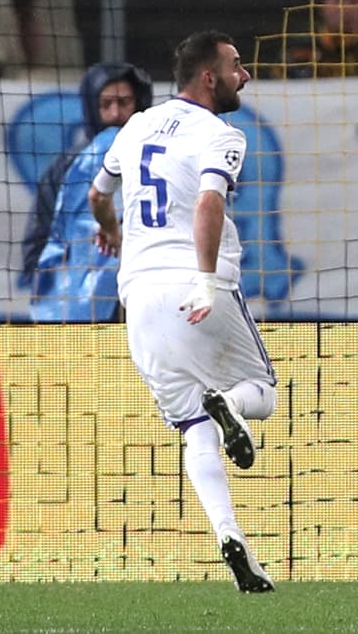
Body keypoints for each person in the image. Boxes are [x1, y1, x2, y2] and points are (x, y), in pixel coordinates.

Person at [87, 30, 277, 592]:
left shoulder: (135, 125)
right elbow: (209, 201)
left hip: (137, 299)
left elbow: (98, 196)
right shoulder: (222, 134)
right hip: (193, 283)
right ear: (210, 77)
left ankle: (230, 536)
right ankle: (232, 402)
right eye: (237, 66)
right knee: (262, 391)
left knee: (195, 429)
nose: (246, 75)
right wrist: (204, 279)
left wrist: (112, 233)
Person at [22, 61, 154, 321]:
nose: (116, 114)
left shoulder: (158, 159)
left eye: (124, 102)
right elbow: (42, 233)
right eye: (106, 105)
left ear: (138, 104)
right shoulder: (65, 168)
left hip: (146, 297)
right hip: (83, 307)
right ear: (92, 108)